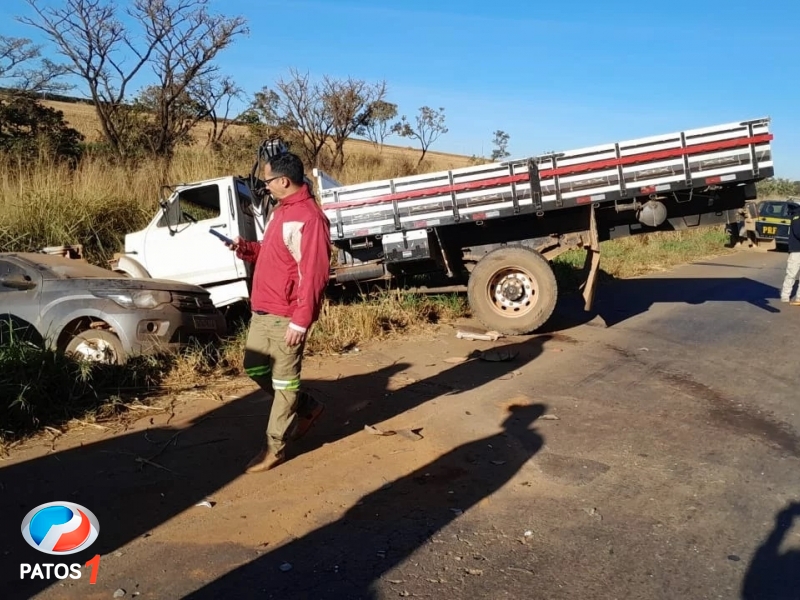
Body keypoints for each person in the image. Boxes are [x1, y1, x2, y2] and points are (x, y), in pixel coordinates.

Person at [228, 151, 331, 472]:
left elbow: (314, 274)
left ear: (283, 181)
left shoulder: (310, 219)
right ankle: (308, 407)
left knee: (285, 384)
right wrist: (245, 248)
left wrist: (301, 321)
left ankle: (275, 447)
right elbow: (272, 253)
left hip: (287, 315)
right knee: (255, 367)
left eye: (267, 180)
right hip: (262, 310)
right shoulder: (280, 211)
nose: (265, 186)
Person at [780, 201, 800, 305]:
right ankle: (785, 296)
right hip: (796, 250)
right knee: (791, 274)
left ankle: (799, 298)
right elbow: (798, 232)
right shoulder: (797, 216)